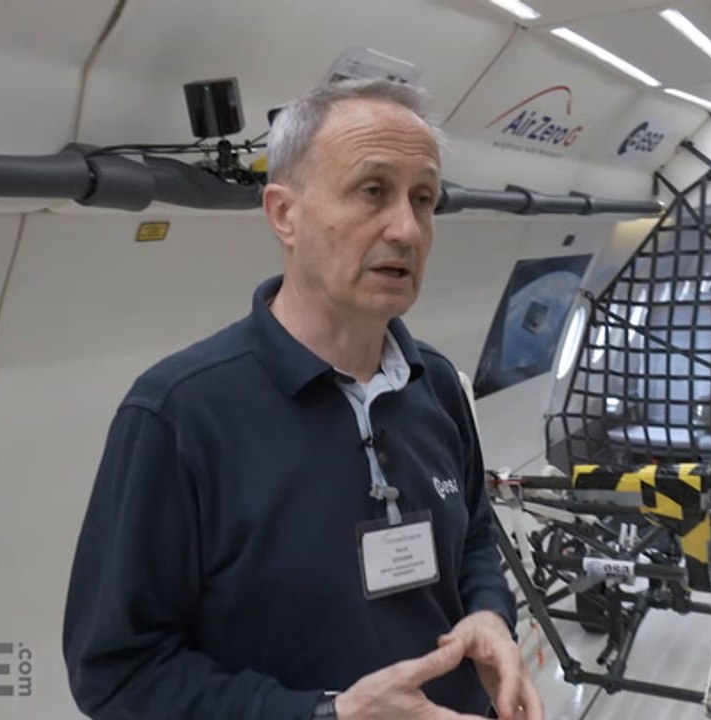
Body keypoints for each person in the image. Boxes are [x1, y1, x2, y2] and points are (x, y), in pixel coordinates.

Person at [62, 79, 542, 720]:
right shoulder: (181, 413)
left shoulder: (438, 384)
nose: (406, 228)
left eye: (423, 199)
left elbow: (476, 535)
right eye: (373, 191)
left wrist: (489, 613)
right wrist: (327, 714)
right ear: (284, 214)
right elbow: (119, 675)